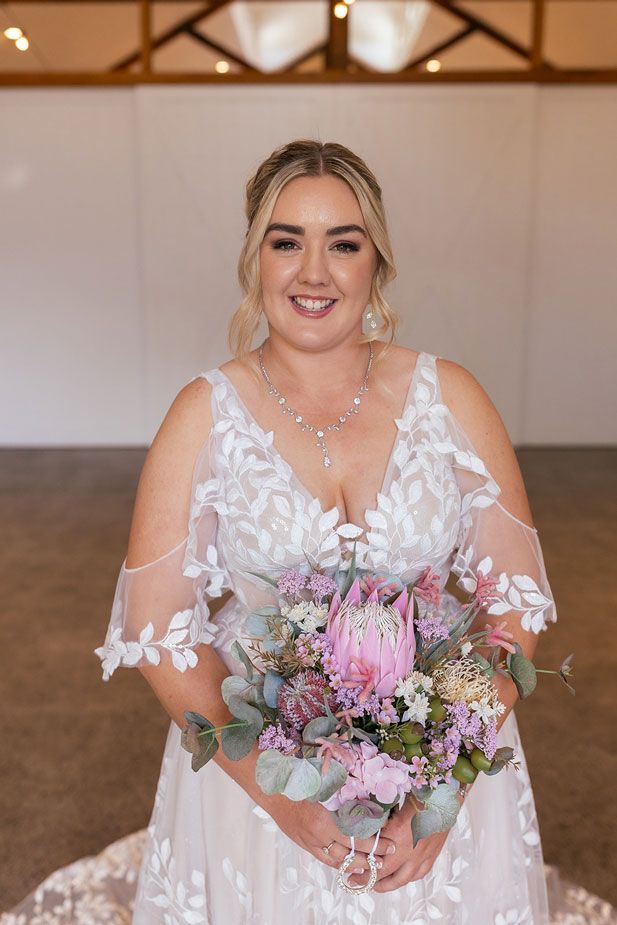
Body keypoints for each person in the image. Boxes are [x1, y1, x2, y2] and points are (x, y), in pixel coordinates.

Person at [3, 140, 612, 925]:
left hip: (434, 755)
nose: (313, 272)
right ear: (255, 258)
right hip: (266, 770)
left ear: (376, 262)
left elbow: (514, 605)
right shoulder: (203, 416)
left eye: (343, 244)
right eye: (285, 241)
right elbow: (159, 630)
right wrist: (276, 794)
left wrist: (446, 777)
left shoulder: (450, 396)